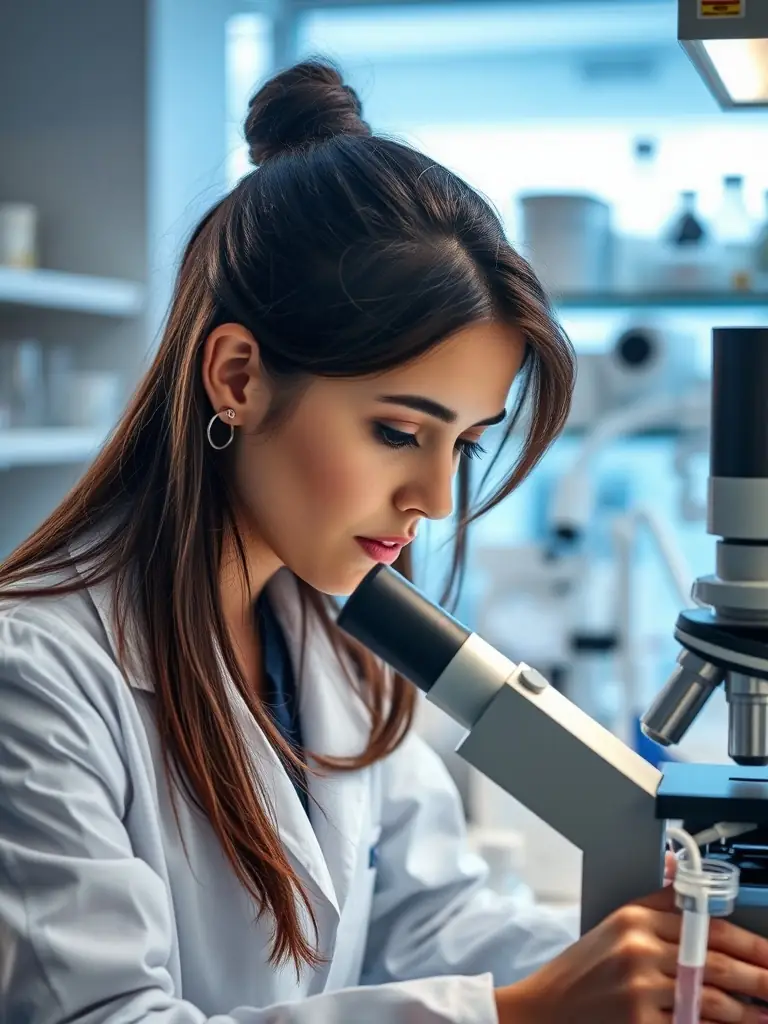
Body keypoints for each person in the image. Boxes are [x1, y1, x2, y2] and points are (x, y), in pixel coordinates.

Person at [1, 60, 767, 1024]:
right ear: (237, 377)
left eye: (466, 444)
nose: (436, 498)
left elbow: (431, 919)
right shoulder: (34, 672)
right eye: (399, 432)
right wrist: (523, 1013)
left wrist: (670, 967)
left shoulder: (337, 640)